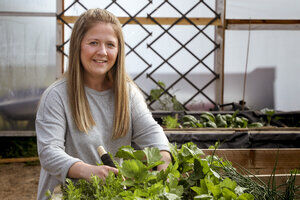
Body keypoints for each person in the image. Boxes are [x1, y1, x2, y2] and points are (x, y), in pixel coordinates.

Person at [36, 8, 171, 200]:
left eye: (110, 45)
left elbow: (152, 133)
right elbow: (49, 152)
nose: (103, 52)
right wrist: (90, 171)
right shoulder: (57, 96)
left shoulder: (128, 93)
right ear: (78, 46)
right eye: (93, 43)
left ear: (119, 50)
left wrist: (163, 162)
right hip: (65, 195)